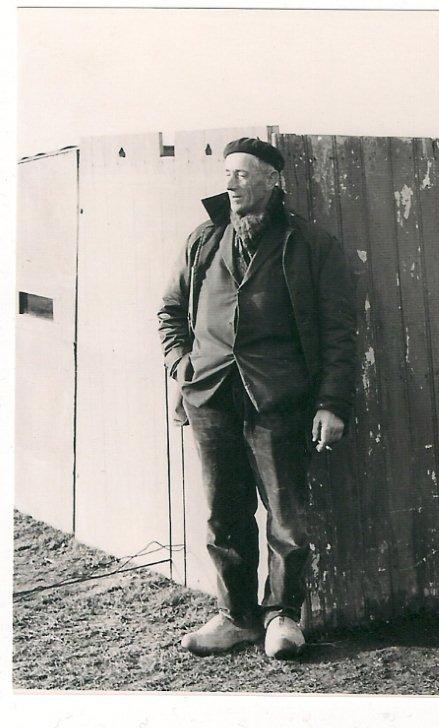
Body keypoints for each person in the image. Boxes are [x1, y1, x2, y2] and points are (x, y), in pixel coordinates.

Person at [157, 138, 357, 659]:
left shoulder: (309, 243)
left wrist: (332, 403)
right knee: (224, 513)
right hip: (212, 396)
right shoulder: (204, 239)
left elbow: (339, 332)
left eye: (243, 174)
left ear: (272, 180)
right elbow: (171, 311)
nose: (231, 183)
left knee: (286, 517)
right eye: (227, 173)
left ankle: (282, 617)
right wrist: (182, 366)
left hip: (280, 400)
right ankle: (236, 617)